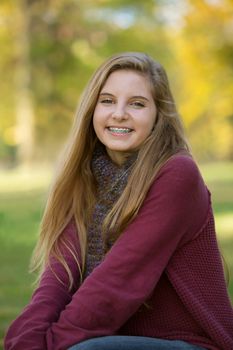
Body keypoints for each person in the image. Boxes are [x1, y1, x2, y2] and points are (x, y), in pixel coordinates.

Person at [4, 52, 233, 350]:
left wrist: (51, 345)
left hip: (189, 343)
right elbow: (58, 279)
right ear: (92, 109)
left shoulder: (177, 174)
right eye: (108, 101)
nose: (119, 113)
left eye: (137, 104)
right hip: (116, 338)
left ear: (158, 117)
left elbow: (118, 283)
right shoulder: (86, 178)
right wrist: (25, 341)